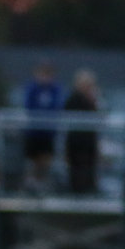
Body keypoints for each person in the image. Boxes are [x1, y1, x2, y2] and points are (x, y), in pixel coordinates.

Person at [21, 61, 62, 190]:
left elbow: (57, 106)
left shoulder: (55, 89)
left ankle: (43, 183)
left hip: (48, 131)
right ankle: (30, 183)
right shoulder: (32, 88)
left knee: (46, 158)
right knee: (32, 159)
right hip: (34, 131)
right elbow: (28, 105)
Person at [63, 70, 102, 195]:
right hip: (76, 141)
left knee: (90, 166)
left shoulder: (94, 100)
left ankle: (89, 188)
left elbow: (100, 116)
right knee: (76, 168)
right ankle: (76, 191)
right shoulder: (72, 99)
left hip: (89, 141)